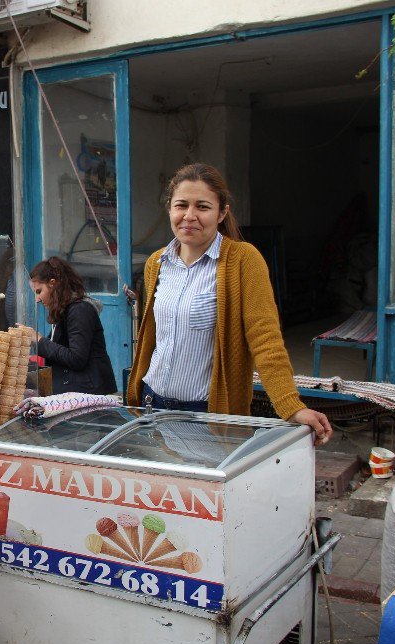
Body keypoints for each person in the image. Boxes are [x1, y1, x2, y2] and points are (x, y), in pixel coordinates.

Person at [126, 163, 332, 444]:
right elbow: (152, 339)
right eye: (181, 205)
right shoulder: (157, 263)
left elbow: (265, 338)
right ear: (169, 209)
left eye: (203, 207)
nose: (189, 216)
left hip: (207, 413)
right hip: (152, 402)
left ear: (222, 213)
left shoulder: (242, 260)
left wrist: (291, 406)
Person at [21, 257, 117, 395]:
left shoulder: (79, 310)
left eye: (39, 291)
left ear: (52, 284)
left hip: (87, 393)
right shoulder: (63, 310)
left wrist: (40, 340)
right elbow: (56, 350)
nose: (37, 299)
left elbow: (76, 358)